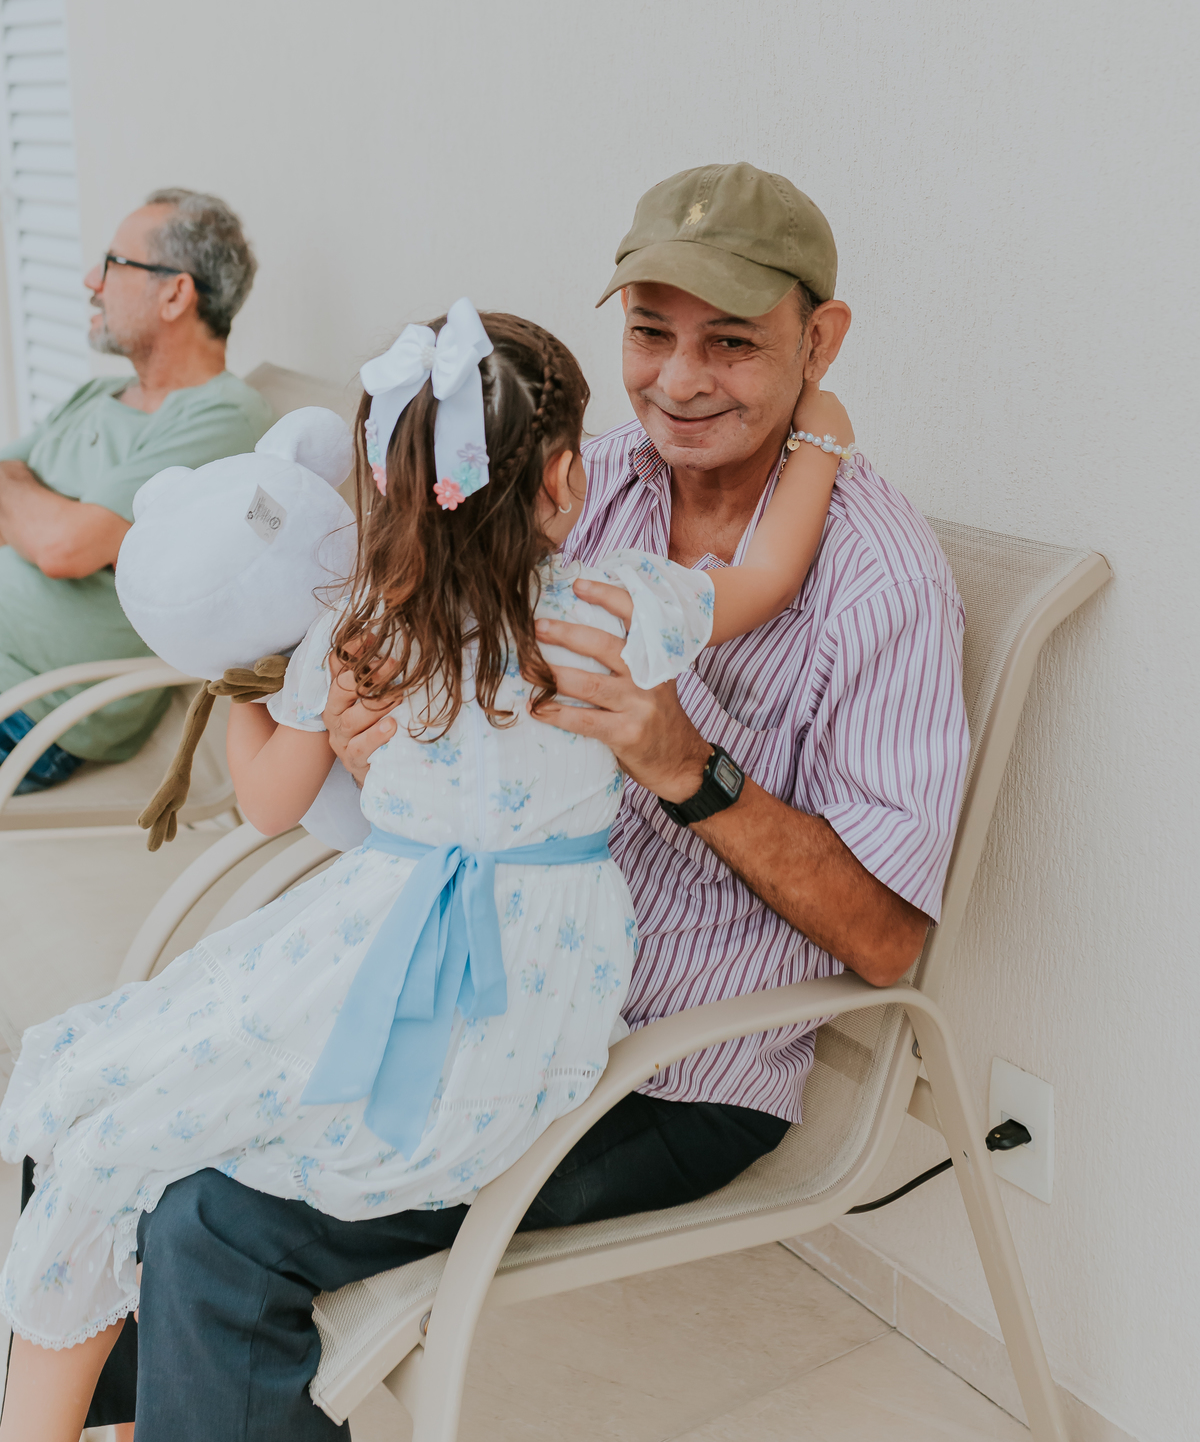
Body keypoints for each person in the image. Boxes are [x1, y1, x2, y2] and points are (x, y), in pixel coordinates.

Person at [0, 298, 853, 1441]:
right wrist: (822, 435)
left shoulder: (361, 627)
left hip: (375, 948)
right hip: (538, 1001)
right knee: (157, 1122)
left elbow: (267, 807)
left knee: (115, 1118)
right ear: (562, 483)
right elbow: (772, 576)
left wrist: (247, 688)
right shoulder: (612, 608)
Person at [0, 190, 273, 790]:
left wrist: (30, 500)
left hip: (34, 709)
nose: (90, 280)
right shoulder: (95, 397)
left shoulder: (222, 418)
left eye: (113, 264)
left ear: (176, 293)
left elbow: (65, 549)